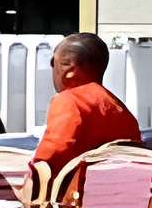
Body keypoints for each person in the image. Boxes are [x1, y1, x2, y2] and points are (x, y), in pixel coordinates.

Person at [31, 33, 142, 173]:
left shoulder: (69, 101)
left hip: (79, 191)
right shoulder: (121, 110)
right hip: (120, 188)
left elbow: (50, 156)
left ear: (69, 70)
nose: (52, 70)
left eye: (53, 63)